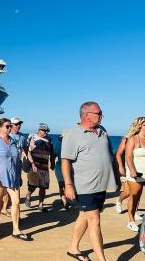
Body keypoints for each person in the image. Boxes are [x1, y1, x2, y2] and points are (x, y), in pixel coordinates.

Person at [62, 101, 117, 261]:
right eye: (99, 113)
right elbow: (65, 161)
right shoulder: (72, 134)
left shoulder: (103, 131)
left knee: (84, 216)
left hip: (102, 185)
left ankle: (73, 248)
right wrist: (68, 184)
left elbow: (108, 156)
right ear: (86, 115)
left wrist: (117, 177)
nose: (102, 116)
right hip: (84, 186)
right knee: (94, 220)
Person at [0, 118, 29, 240]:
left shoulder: (13, 141)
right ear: (0, 127)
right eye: (7, 126)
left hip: (13, 176)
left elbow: (17, 160)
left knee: (15, 202)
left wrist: (19, 175)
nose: (9, 128)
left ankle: (16, 230)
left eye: (10, 126)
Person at [115, 117, 145, 217]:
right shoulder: (127, 138)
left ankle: (134, 211)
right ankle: (119, 200)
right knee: (128, 192)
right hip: (125, 168)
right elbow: (119, 154)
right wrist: (120, 167)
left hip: (137, 169)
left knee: (137, 192)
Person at [25, 123, 55, 212]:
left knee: (43, 187)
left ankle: (40, 205)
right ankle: (28, 195)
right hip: (34, 166)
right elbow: (28, 152)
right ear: (39, 130)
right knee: (32, 186)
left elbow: (52, 153)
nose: (46, 132)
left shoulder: (49, 140)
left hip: (45, 166)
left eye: (47, 131)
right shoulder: (32, 138)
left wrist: (52, 163)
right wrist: (32, 163)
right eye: (44, 130)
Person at [1, 117, 27, 217]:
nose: (18, 126)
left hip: (17, 165)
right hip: (7, 166)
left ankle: (13, 212)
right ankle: (9, 210)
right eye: (16, 124)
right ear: (10, 126)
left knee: (15, 187)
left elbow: (25, 149)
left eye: (19, 124)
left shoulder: (22, 137)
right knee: (8, 188)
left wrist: (30, 161)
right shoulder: (7, 137)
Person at [125, 117, 145, 232]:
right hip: (136, 173)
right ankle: (131, 221)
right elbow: (128, 156)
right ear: (140, 126)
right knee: (135, 196)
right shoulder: (133, 139)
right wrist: (132, 170)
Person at [54, 131, 70, 210]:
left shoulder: (71, 146)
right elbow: (53, 154)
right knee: (62, 185)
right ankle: (64, 201)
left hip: (67, 168)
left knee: (65, 184)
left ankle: (64, 199)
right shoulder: (59, 145)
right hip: (60, 167)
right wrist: (52, 164)